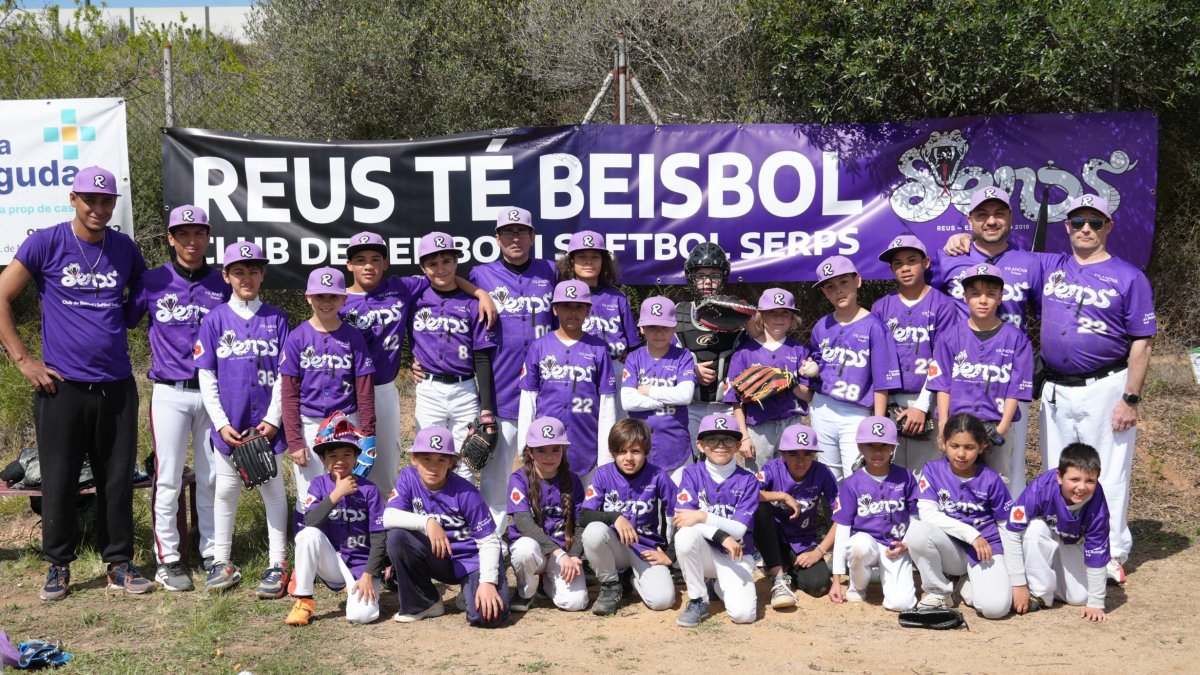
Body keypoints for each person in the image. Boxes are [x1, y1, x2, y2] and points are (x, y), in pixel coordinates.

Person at [0, 166, 152, 600]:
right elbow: (2, 295)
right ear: (73, 199)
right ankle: (58, 564)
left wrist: (134, 314)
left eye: (106, 201)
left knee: (116, 479)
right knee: (60, 479)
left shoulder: (124, 249)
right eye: (90, 200)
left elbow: (142, 293)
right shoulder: (46, 242)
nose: (98, 208)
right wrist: (24, 360)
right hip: (61, 387)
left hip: (117, 385)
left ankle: (119, 563)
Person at [1036, 195, 1155, 585]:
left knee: (1108, 472)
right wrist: (961, 242)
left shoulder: (1129, 277)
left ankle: (1111, 551)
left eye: (1095, 222)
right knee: (1058, 471)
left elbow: (1142, 342)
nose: (1086, 228)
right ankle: (1064, 544)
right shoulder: (1051, 267)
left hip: (1106, 385)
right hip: (1056, 387)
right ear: (1067, 227)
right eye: (1078, 221)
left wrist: (1130, 398)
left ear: (1109, 227)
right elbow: (998, 258)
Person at [341, 230, 496, 495]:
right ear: (349, 264)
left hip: (384, 388)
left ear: (386, 263)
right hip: (348, 390)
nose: (368, 266)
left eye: (375, 259)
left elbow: (444, 279)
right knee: (347, 456)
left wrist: (482, 294)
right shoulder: (337, 299)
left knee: (388, 463)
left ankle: (391, 514)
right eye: (360, 259)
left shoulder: (402, 288)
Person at [124, 204, 229, 591]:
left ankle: (213, 553)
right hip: (169, 392)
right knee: (167, 478)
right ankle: (168, 559)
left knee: (211, 477)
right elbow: (123, 320)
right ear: (171, 238)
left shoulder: (222, 283)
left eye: (198, 233)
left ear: (208, 237)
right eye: (183, 234)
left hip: (212, 392)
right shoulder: (152, 281)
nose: (191, 240)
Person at [193, 242, 290, 596]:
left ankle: (278, 563)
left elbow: (285, 375)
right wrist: (220, 422)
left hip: (266, 425)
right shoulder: (215, 319)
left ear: (262, 275)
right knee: (226, 490)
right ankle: (221, 561)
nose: (246, 278)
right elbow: (206, 375)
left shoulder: (277, 318)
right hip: (230, 424)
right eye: (238, 272)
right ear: (226, 276)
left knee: (273, 491)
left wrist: (274, 419)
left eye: (253, 271)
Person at [935, 187, 1044, 481]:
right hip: (960, 379)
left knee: (1010, 467)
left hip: (1007, 379)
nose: (991, 221)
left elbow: (1045, 314)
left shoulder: (1031, 263)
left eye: (999, 214)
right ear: (970, 220)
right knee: (956, 463)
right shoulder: (948, 257)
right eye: (982, 214)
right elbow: (924, 302)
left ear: (1011, 218)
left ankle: (1009, 512)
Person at [460, 207, 558, 528]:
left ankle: (546, 535)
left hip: (547, 392)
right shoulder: (481, 275)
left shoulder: (550, 271)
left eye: (521, 232)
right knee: (496, 477)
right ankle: (493, 543)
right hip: (503, 390)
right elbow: (448, 289)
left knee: (548, 470)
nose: (514, 238)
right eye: (507, 233)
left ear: (532, 237)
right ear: (497, 238)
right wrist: (478, 292)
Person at [383, 426, 509, 627]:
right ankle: (425, 602)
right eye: (426, 459)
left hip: (471, 560)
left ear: (451, 462)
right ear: (414, 459)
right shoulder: (408, 477)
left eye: (441, 460)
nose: (433, 467)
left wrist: (488, 582)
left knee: (488, 617)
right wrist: (427, 522)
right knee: (398, 538)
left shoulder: (466, 492)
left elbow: (489, 541)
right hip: (439, 557)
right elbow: (388, 516)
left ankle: (469, 591)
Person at [281, 267, 375, 530]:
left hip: (347, 422)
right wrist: (295, 440)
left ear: (344, 299)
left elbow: (364, 388)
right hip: (310, 422)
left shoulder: (353, 336)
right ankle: (305, 547)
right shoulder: (297, 337)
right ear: (308, 297)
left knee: (348, 487)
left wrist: (368, 435)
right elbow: (288, 393)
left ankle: (347, 545)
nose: (326, 302)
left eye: (333, 296)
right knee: (307, 493)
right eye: (319, 296)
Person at [925, 263, 1033, 490]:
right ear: (965, 297)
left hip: (994, 424)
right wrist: (943, 424)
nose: (983, 300)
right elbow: (942, 384)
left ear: (1000, 297)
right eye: (975, 294)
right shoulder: (949, 336)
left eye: (991, 294)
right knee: (952, 485)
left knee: (997, 485)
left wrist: (1002, 428)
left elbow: (1015, 389)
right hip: (956, 426)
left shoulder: (1016, 339)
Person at [906, 413, 1014, 619]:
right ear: (943, 443)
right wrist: (971, 534)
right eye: (954, 446)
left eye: (969, 447)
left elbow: (1006, 526)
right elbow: (928, 515)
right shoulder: (932, 470)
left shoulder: (991, 479)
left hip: (985, 549)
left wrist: (1016, 578)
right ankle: (938, 592)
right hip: (951, 548)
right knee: (917, 530)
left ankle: (962, 586)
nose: (961, 454)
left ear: (982, 446)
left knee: (995, 609)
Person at [409, 232, 496, 481]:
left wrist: (487, 407)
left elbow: (482, 357)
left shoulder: (471, 303)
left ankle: (460, 506)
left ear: (456, 262)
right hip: (429, 388)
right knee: (428, 455)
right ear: (423, 268)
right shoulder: (414, 298)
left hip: (465, 389)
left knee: (465, 460)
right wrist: (411, 360)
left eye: (446, 261)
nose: (440, 269)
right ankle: (429, 505)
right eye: (432, 263)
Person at [806, 256, 901, 478]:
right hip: (822, 408)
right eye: (830, 286)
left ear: (857, 280)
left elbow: (882, 382)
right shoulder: (822, 326)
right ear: (824, 292)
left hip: (856, 413)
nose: (838, 290)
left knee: (857, 474)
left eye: (844, 282)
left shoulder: (875, 326)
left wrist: (878, 423)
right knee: (830, 475)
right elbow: (815, 363)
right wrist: (807, 368)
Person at [286, 417, 387, 626]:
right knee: (307, 535)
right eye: (332, 455)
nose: (340, 460)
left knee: (362, 616)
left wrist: (369, 574)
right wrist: (337, 494)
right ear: (323, 459)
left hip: (360, 564)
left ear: (356, 456)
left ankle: (355, 588)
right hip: (330, 560)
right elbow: (310, 521)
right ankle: (304, 601)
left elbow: (379, 537)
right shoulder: (318, 485)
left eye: (346, 454)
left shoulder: (369, 490)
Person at [870, 235, 958, 472]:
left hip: (929, 399)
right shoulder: (881, 307)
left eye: (911, 260)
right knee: (892, 475)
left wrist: (922, 406)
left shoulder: (943, 305)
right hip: (890, 402)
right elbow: (877, 363)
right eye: (898, 263)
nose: (905, 268)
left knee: (926, 473)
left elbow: (943, 361)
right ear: (891, 269)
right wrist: (882, 409)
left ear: (926, 263)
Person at [1000, 442, 1111, 622]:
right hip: (1045, 537)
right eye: (1074, 479)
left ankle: (1052, 581)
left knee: (1080, 598)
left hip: (1072, 544)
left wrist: (1096, 602)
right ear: (1059, 476)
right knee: (1035, 529)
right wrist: (1018, 583)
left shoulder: (1098, 506)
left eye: (1090, 481)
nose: (1082, 487)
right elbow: (1012, 532)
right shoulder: (1040, 488)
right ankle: (1040, 592)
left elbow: (1096, 553)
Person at [517, 280, 616, 480]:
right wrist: (523, 448)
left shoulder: (599, 348)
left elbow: (607, 403)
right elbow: (528, 401)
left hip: (586, 443)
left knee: (587, 499)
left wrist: (606, 457)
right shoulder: (539, 347)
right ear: (555, 309)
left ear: (588, 310)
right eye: (566, 306)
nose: (573, 312)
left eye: (579, 306)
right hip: (546, 445)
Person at [579, 418, 677, 616]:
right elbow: (584, 515)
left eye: (636, 451)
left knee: (662, 601)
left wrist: (670, 554)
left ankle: (631, 577)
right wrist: (614, 517)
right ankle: (610, 584)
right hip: (614, 547)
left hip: (646, 548)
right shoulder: (603, 474)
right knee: (593, 531)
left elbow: (683, 514)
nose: (629, 458)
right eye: (622, 451)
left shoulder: (658, 475)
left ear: (646, 451)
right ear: (613, 452)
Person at [673, 413, 761, 627]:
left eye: (728, 440)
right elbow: (683, 520)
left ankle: (718, 585)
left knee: (743, 616)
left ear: (738, 445)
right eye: (712, 439)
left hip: (736, 555)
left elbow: (738, 530)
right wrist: (721, 536)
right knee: (685, 535)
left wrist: (702, 516)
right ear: (700, 445)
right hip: (704, 553)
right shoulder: (691, 474)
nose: (720, 445)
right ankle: (698, 600)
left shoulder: (748, 480)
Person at [673, 243, 754, 458]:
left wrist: (751, 321)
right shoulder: (679, 313)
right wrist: (690, 372)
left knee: (722, 462)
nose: (707, 282)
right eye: (701, 275)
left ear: (723, 277)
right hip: (689, 406)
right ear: (691, 278)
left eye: (714, 275)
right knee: (690, 463)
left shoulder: (737, 312)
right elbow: (663, 360)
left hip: (725, 406)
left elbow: (754, 352)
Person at [829, 417, 917, 612]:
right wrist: (836, 580)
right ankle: (858, 584)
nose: (878, 451)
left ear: (893, 447)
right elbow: (842, 530)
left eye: (884, 445)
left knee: (902, 604)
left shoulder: (905, 476)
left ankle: (881, 574)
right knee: (859, 545)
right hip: (866, 545)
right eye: (870, 445)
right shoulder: (852, 483)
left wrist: (906, 544)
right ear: (860, 447)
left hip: (896, 546)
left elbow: (916, 518)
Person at [723, 288, 810, 472]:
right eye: (772, 312)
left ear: (792, 318)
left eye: (785, 312)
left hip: (792, 423)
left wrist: (790, 382)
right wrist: (744, 436)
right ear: (761, 316)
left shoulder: (799, 350)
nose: (778, 317)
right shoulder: (744, 353)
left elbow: (808, 396)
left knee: (792, 476)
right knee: (758, 479)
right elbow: (735, 401)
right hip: (758, 428)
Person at [752, 423, 838, 609]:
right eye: (793, 454)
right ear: (782, 454)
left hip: (803, 539)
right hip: (774, 539)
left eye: (807, 454)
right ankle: (777, 571)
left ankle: (787, 568)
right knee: (758, 505)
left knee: (819, 585)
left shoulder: (822, 472)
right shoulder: (772, 469)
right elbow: (748, 493)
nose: (801, 461)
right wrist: (782, 495)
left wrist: (819, 551)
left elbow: (842, 514)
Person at [506, 416, 587, 612]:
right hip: (537, 552)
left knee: (575, 603)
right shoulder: (519, 479)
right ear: (530, 452)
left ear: (563, 451)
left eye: (555, 449)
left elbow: (580, 523)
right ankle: (526, 592)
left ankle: (546, 585)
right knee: (524, 549)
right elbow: (523, 522)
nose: (549, 456)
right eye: (541, 450)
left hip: (563, 554)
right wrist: (557, 553)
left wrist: (574, 555)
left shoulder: (573, 480)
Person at [620, 296, 696, 483]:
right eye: (652, 327)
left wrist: (648, 391)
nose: (659, 333)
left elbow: (685, 396)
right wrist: (668, 398)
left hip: (676, 446)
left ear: (674, 328)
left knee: (677, 501)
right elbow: (628, 401)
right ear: (641, 328)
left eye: (665, 327)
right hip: (639, 447)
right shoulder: (634, 358)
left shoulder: (684, 356)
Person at [556, 229, 638, 367]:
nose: (589, 262)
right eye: (582, 256)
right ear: (571, 261)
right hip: (572, 367)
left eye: (595, 257)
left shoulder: (618, 298)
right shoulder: (561, 297)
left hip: (614, 366)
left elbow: (633, 345)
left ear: (603, 261)